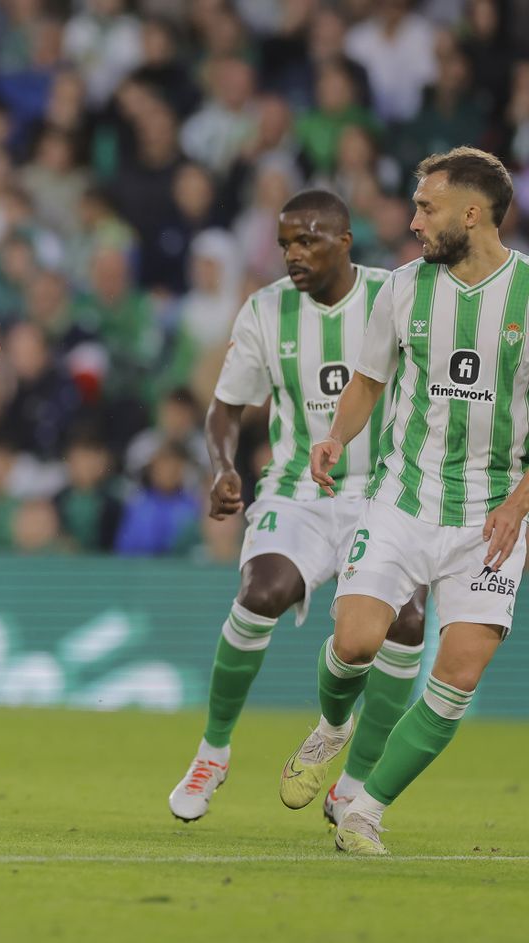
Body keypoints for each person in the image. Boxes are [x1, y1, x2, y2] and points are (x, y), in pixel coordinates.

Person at [286, 148, 529, 855]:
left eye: (427, 207)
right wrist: (334, 437)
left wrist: (519, 503)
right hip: (402, 498)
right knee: (357, 640)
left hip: (491, 515)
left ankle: (364, 809)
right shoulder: (401, 289)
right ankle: (334, 725)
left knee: (459, 672)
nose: (413, 219)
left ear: (472, 213)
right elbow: (367, 379)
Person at [167, 189, 427, 826]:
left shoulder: (393, 296)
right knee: (263, 592)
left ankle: (354, 782)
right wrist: (225, 467)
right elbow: (227, 406)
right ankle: (213, 752)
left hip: (384, 491)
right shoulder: (264, 310)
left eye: (307, 240)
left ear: (344, 241)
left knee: (409, 624)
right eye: (285, 242)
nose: (293, 254)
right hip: (297, 486)